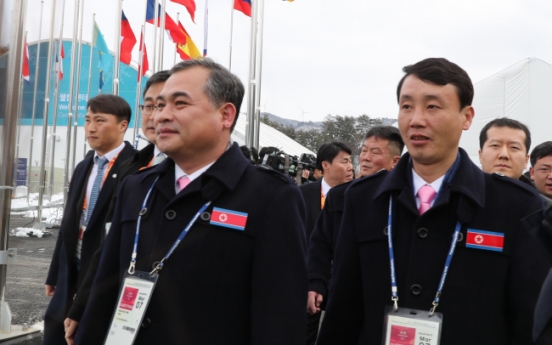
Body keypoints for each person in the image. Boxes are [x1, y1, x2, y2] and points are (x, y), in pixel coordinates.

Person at [317, 58, 552, 344]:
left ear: (467, 116)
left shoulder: (517, 206)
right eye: (407, 106)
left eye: (432, 106)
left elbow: (529, 320)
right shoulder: (362, 198)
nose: (416, 119)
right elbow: (343, 310)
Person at [74, 59, 307, 345]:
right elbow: (105, 287)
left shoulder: (271, 197)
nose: (160, 116)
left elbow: (279, 317)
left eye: (179, 104)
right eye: (159, 106)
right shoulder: (136, 186)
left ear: (226, 114)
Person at [63, 70, 171, 344]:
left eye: (167, 104)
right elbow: (108, 245)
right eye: (149, 106)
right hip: (121, 302)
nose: (155, 115)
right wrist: (82, 305)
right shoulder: (132, 170)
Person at [43, 94, 136, 345]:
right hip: (73, 264)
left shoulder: (135, 168)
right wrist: (55, 273)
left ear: (122, 125)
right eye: (87, 120)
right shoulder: (85, 165)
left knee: (89, 330)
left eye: (100, 120)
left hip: (105, 266)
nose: (91, 127)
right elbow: (69, 223)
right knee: (56, 329)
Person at [306, 125, 404, 320]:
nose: (365, 157)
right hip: (344, 296)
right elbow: (320, 244)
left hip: (390, 302)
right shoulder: (340, 196)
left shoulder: (404, 201)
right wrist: (316, 282)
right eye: (364, 150)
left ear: (395, 161)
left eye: (375, 152)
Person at [299, 141, 352, 345]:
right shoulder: (302, 194)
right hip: (309, 278)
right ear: (326, 165)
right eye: (344, 161)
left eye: (350, 161)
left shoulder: (357, 195)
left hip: (341, 281)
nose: (350, 167)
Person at [478, 117, 531, 182]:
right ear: (480, 155)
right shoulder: (463, 190)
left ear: (526, 160)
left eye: (514, 147)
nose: (504, 154)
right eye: (495, 145)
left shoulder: (532, 192)